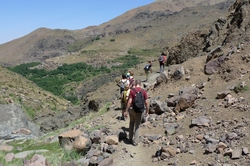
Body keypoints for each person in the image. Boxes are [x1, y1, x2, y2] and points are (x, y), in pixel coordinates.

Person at [124, 79, 149, 146]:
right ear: (140, 84)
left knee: (131, 123)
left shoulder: (132, 91)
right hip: (140, 110)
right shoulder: (144, 91)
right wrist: (147, 111)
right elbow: (146, 102)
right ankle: (135, 142)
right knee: (137, 125)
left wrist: (126, 110)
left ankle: (130, 138)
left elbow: (129, 101)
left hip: (132, 109)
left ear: (135, 84)